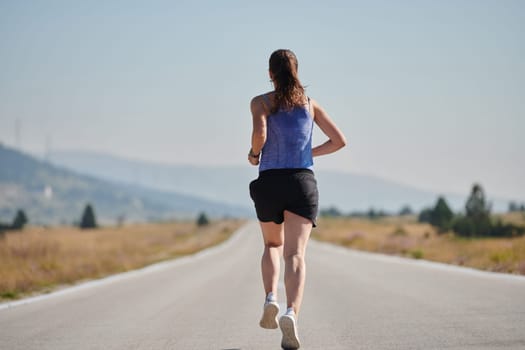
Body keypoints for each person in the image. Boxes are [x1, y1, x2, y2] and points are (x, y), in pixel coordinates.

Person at [248, 49, 346, 349]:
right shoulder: (310, 104)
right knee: (296, 254)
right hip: (301, 182)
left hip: (270, 181)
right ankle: (291, 312)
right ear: (296, 71)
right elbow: (339, 141)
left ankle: (270, 298)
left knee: (272, 245)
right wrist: (307, 153)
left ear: (270, 73)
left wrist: (254, 155)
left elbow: (260, 134)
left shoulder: (261, 102)